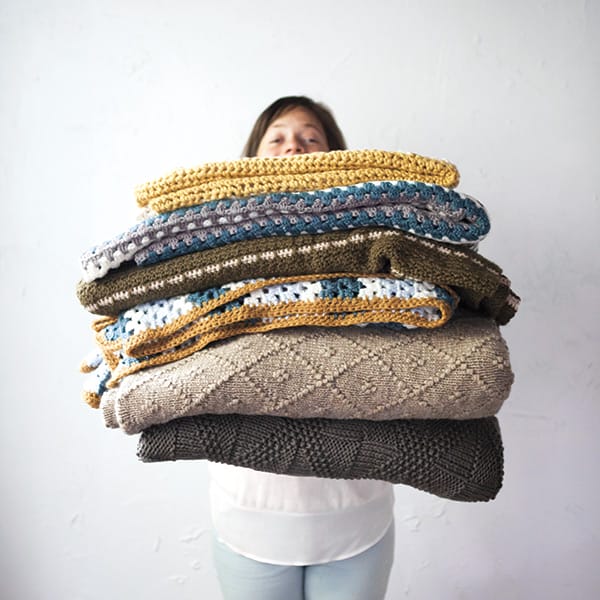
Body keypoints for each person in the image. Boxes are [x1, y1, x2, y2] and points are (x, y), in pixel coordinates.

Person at [209, 96, 395, 600]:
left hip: (356, 514)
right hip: (247, 513)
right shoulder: (211, 245)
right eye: (279, 137)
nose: (295, 145)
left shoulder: (381, 238)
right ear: (252, 160)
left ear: (336, 155)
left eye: (311, 137)